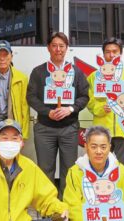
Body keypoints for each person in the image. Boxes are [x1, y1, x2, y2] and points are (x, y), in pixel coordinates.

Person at [27, 32, 89, 197]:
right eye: (54, 45)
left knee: (69, 169)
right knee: (45, 168)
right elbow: (31, 97)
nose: (58, 49)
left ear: (67, 48)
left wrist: (69, 109)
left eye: (62, 46)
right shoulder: (39, 72)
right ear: (48, 48)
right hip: (45, 128)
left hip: (69, 128)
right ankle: (47, 207)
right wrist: (48, 112)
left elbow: (85, 96)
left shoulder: (76, 72)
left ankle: (66, 206)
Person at [87, 37, 124, 171]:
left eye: (115, 51)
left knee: (123, 168)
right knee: (100, 168)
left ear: (120, 54)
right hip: (102, 132)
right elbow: (89, 101)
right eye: (107, 52)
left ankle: (123, 192)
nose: (111, 55)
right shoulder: (94, 76)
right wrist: (101, 108)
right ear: (103, 54)